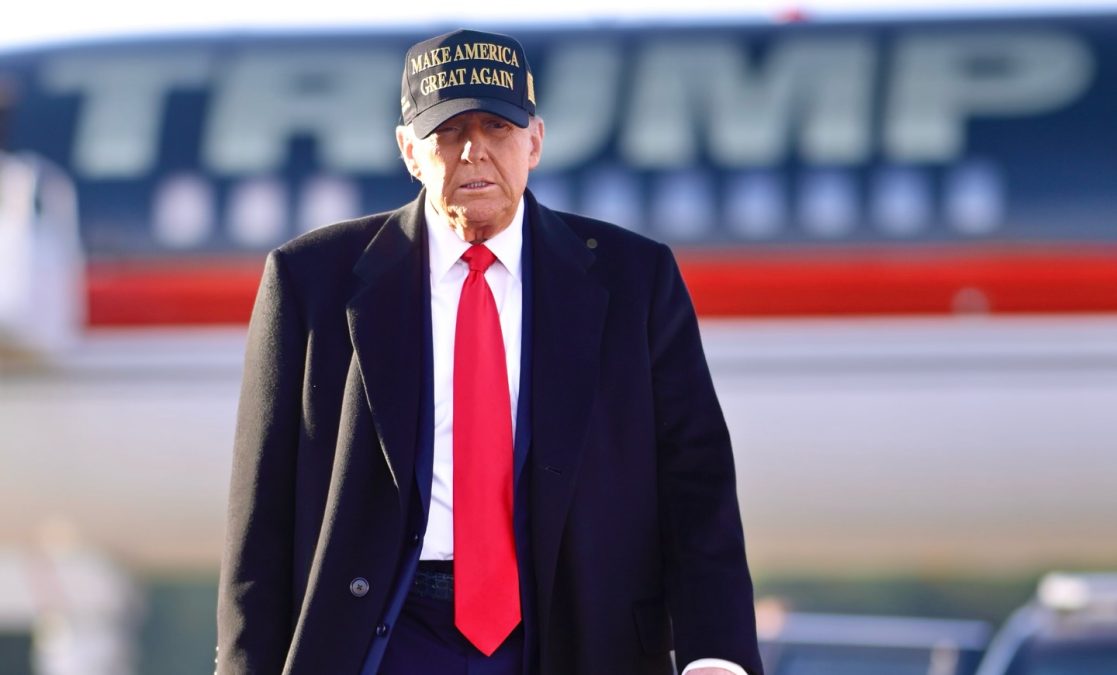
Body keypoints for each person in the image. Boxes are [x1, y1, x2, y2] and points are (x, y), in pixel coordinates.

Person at [216, 28, 764, 675]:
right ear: (408, 151)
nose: (474, 151)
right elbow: (262, 513)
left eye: (496, 128)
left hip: (575, 635)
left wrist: (717, 655)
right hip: (386, 637)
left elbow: (694, 485)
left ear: (534, 141)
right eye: (448, 132)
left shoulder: (634, 281)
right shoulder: (311, 279)